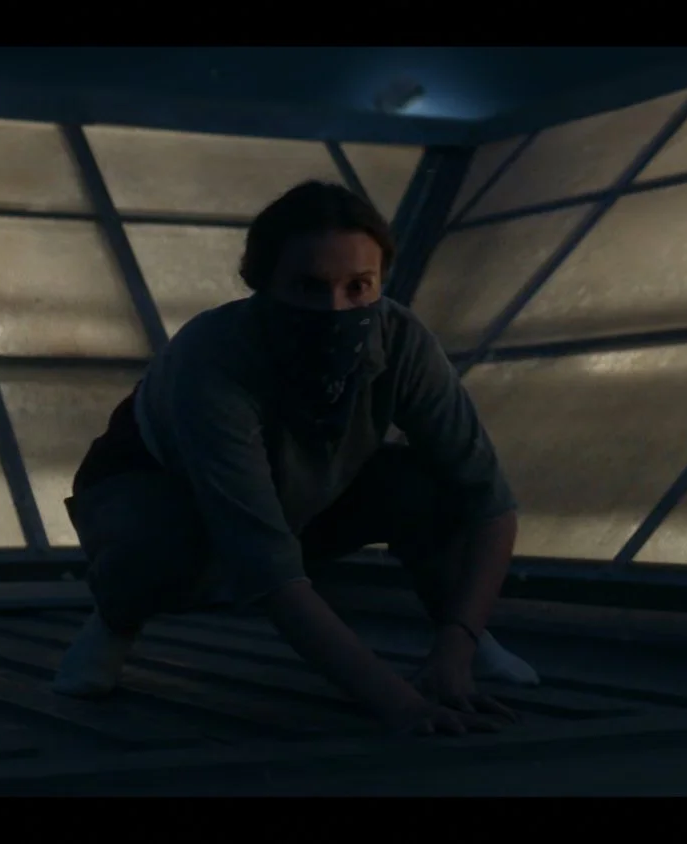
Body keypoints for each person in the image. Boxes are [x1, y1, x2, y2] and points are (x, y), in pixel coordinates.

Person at [53, 180, 539, 736]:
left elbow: (489, 502)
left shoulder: (401, 340)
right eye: (309, 286)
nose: (336, 308)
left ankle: (464, 631)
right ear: (261, 284)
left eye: (359, 286)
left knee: (429, 484)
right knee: (158, 543)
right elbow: (265, 565)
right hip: (163, 491)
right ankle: (116, 618)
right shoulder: (211, 360)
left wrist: (458, 643)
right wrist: (402, 705)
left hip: (309, 490)